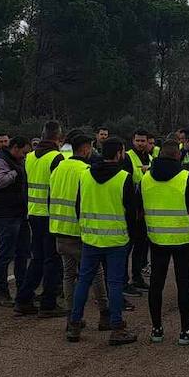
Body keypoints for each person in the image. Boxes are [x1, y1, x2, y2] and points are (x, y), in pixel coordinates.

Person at [69, 137, 139, 345]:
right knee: (115, 283)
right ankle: (117, 327)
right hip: (116, 239)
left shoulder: (85, 175)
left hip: (91, 237)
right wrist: (131, 234)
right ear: (119, 154)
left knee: (83, 280)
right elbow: (131, 211)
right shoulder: (124, 178)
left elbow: (78, 206)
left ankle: (74, 324)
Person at [140, 139, 189, 345]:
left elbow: (138, 206)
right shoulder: (186, 177)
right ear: (178, 155)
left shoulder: (145, 178)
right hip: (183, 238)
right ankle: (185, 331)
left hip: (156, 238)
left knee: (156, 285)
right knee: (183, 284)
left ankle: (156, 329)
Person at [52, 132, 108, 332]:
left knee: (68, 275)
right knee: (96, 273)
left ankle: (72, 317)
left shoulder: (59, 168)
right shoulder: (86, 170)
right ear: (85, 148)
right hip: (80, 231)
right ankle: (105, 314)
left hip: (60, 229)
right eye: (90, 147)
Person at [16, 122, 66, 317]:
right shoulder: (56, 158)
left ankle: (24, 299)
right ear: (58, 138)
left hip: (34, 213)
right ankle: (48, 303)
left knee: (37, 258)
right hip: (50, 215)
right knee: (52, 260)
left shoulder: (29, 157)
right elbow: (59, 188)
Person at [0, 137, 31, 307]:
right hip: (6, 215)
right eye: (24, 152)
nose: (25, 156)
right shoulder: (0, 160)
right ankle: (2, 292)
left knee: (22, 254)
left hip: (20, 213)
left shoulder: (16, 160)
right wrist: (17, 172)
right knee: (5, 255)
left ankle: (23, 290)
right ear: (15, 148)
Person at [124, 129, 153, 296]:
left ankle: (137, 277)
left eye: (143, 141)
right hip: (133, 211)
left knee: (141, 247)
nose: (141, 143)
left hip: (145, 211)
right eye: (138, 141)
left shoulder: (149, 158)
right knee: (128, 247)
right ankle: (124, 280)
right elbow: (126, 185)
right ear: (133, 141)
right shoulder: (128, 157)